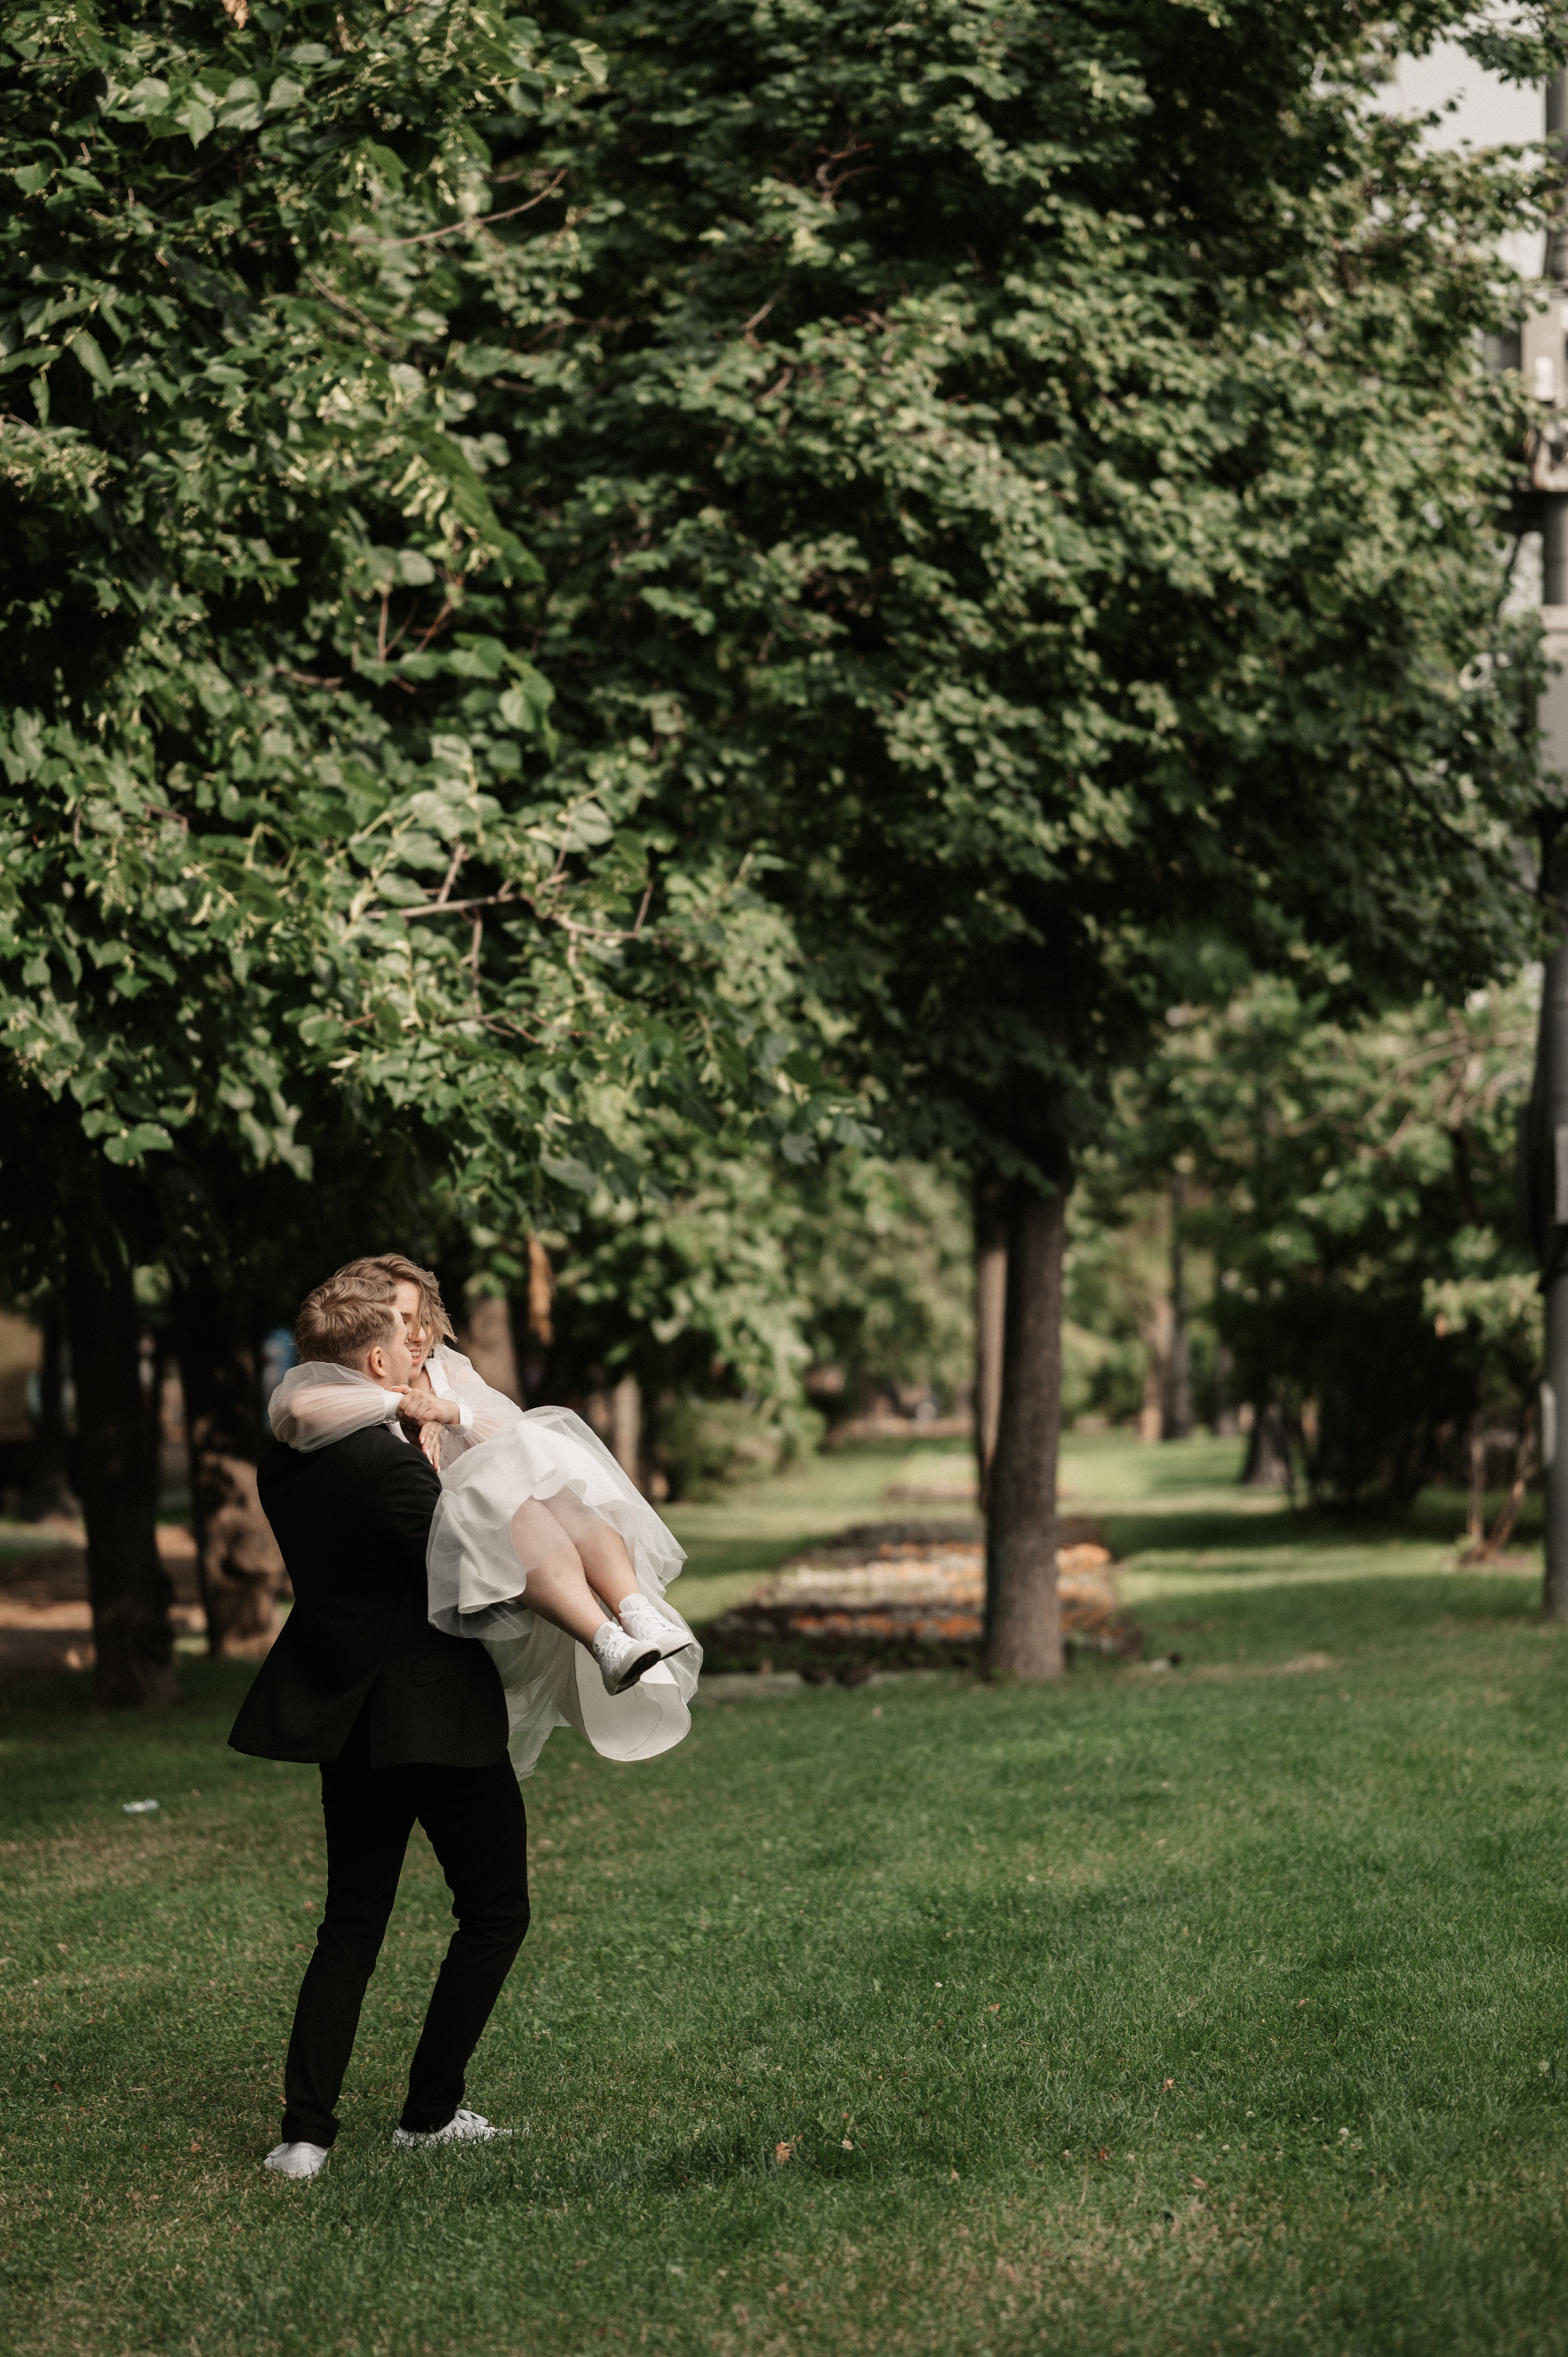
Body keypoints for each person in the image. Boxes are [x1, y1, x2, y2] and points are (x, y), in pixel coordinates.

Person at [230, 1280, 529, 2181]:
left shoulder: (283, 1458)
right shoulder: (388, 1463)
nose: (416, 1356)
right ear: (372, 1361)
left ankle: (305, 2135)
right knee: (496, 1911)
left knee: (351, 1924)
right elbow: (467, 1576)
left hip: (345, 1720)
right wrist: (436, 1450)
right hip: (435, 1715)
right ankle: (429, 2113)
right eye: (404, 1345)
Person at [267, 1254, 701, 1779]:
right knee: (495, 1483)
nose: (418, 1333)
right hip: (467, 1565)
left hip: (524, 1550)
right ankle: (605, 1635)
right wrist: (398, 1405)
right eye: (402, 1321)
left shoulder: (448, 1370)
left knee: (536, 1452)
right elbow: (298, 1414)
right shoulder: (330, 1387)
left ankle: (631, 1614)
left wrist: (450, 1412)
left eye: (422, 1316)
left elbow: (517, 1432)